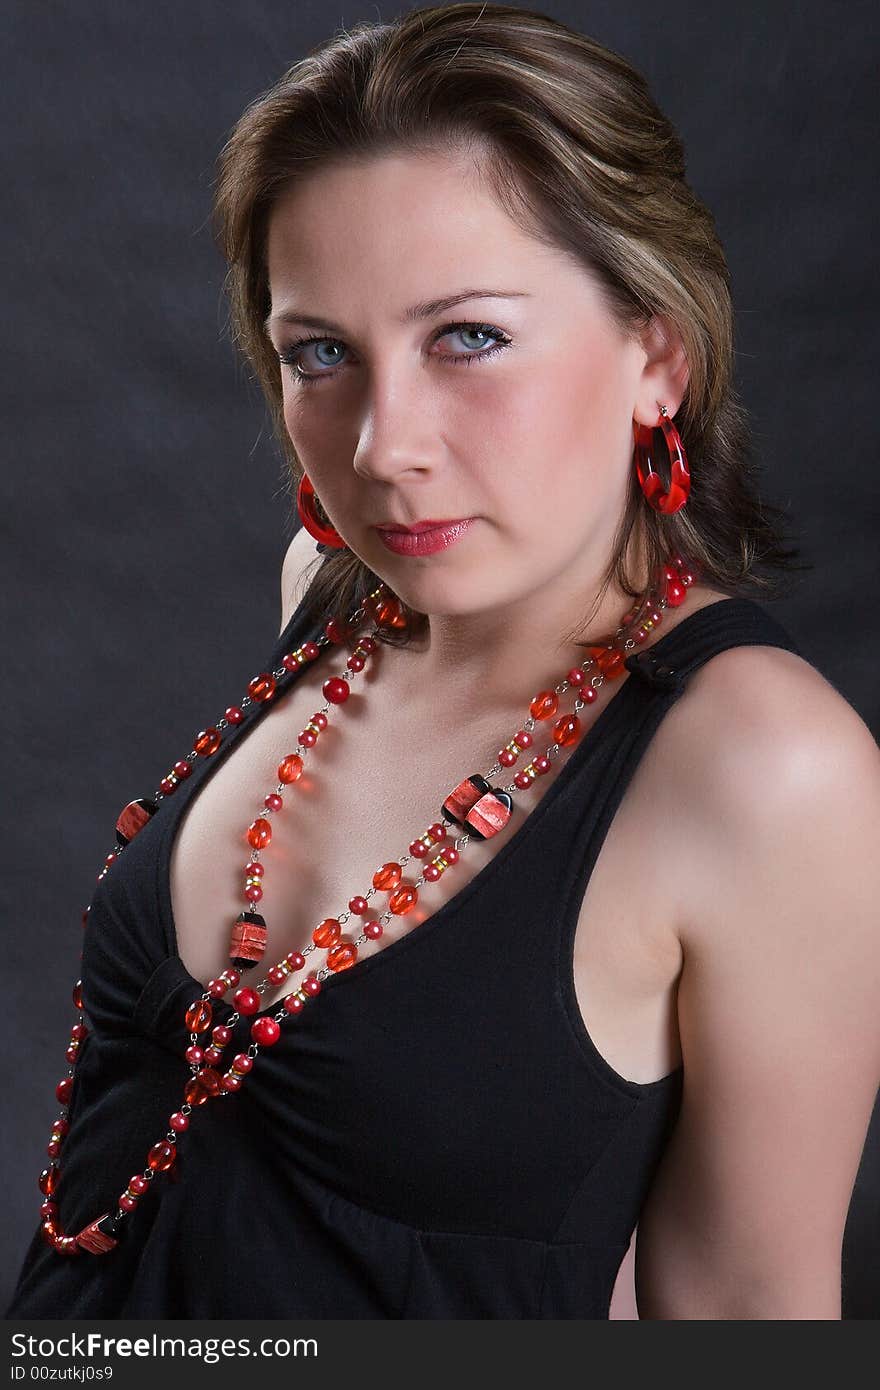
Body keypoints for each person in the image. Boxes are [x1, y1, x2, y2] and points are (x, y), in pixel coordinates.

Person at [7, 3, 879, 1320]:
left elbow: (742, 1314)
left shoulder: (768, 769)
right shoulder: (330, 601)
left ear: (658, 352)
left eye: (468, 337)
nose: (382, 447)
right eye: (321, 356)